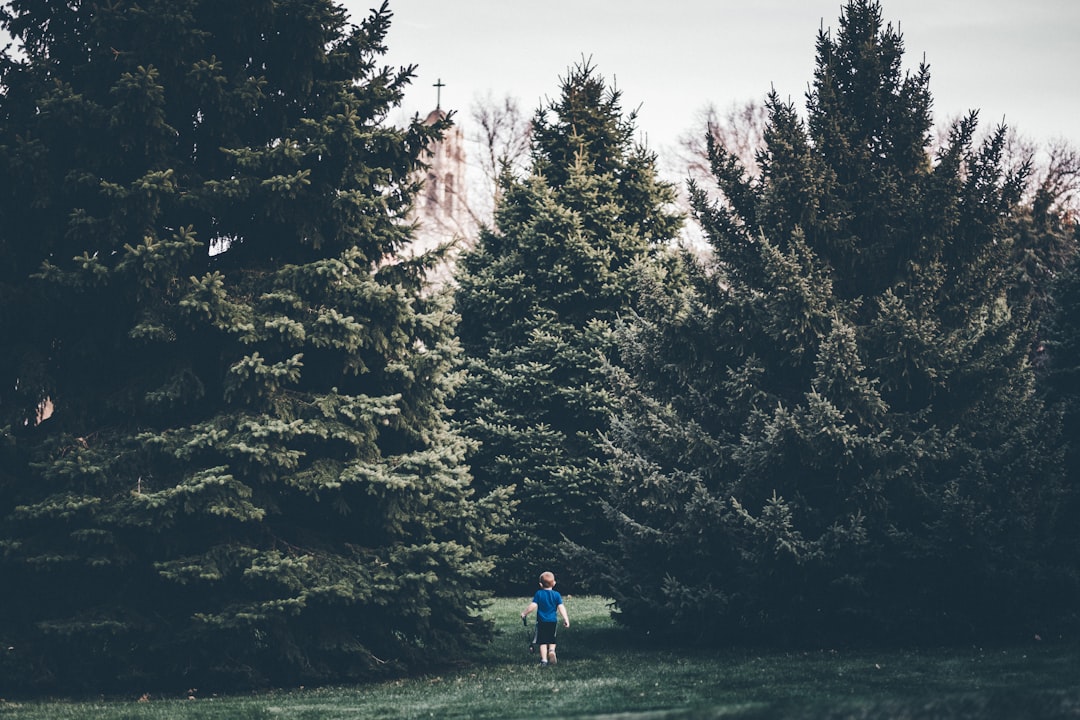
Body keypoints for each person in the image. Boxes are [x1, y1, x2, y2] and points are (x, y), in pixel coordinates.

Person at [521, 571, 569, 666]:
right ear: (554, 583)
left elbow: (533, 605)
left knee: (542, 642)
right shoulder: (556, 595)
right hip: (552, 621)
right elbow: (561, 607)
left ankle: (544, 660)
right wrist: (566, 619)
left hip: (542, 621)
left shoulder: (539, 594)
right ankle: (551, 650)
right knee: (552, 638)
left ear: (540, 584)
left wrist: (524, 613)